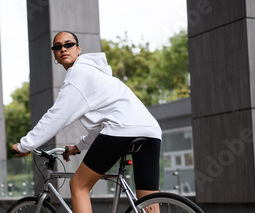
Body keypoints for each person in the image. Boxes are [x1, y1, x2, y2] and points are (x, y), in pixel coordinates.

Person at [11, 31, 162, 213]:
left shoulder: (78, 74)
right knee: (147, 198)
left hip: (121, 130)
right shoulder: (97, 74)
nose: (63, 49)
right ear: (54, 55)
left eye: (68, 44)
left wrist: (25, 145)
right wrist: (78, 147)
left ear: (78, 48)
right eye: (57, 47)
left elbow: (57, 117)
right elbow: (100, 126)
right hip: (150, 131)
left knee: (78, 185)